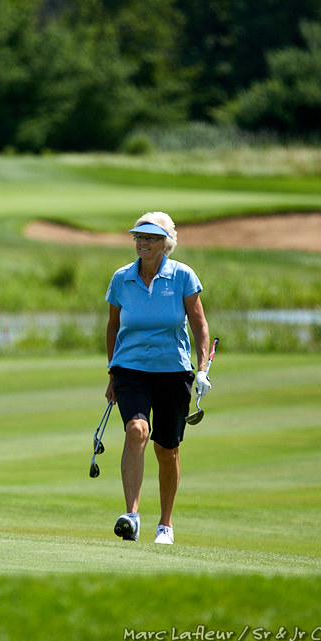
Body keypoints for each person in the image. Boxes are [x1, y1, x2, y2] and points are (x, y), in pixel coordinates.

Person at [104, 211, 210, 545]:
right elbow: (113, 326)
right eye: (138, 237)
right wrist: (112, 372)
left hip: (173, 371)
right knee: (136, 430)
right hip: (131, 370)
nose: (143, 243)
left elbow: (199, 325)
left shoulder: (183, 277)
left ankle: (165, 525)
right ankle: (131, 516)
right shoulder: (122, 279)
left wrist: (203, 368)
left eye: (150, 238)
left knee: (167, 450)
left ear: (166, 243)